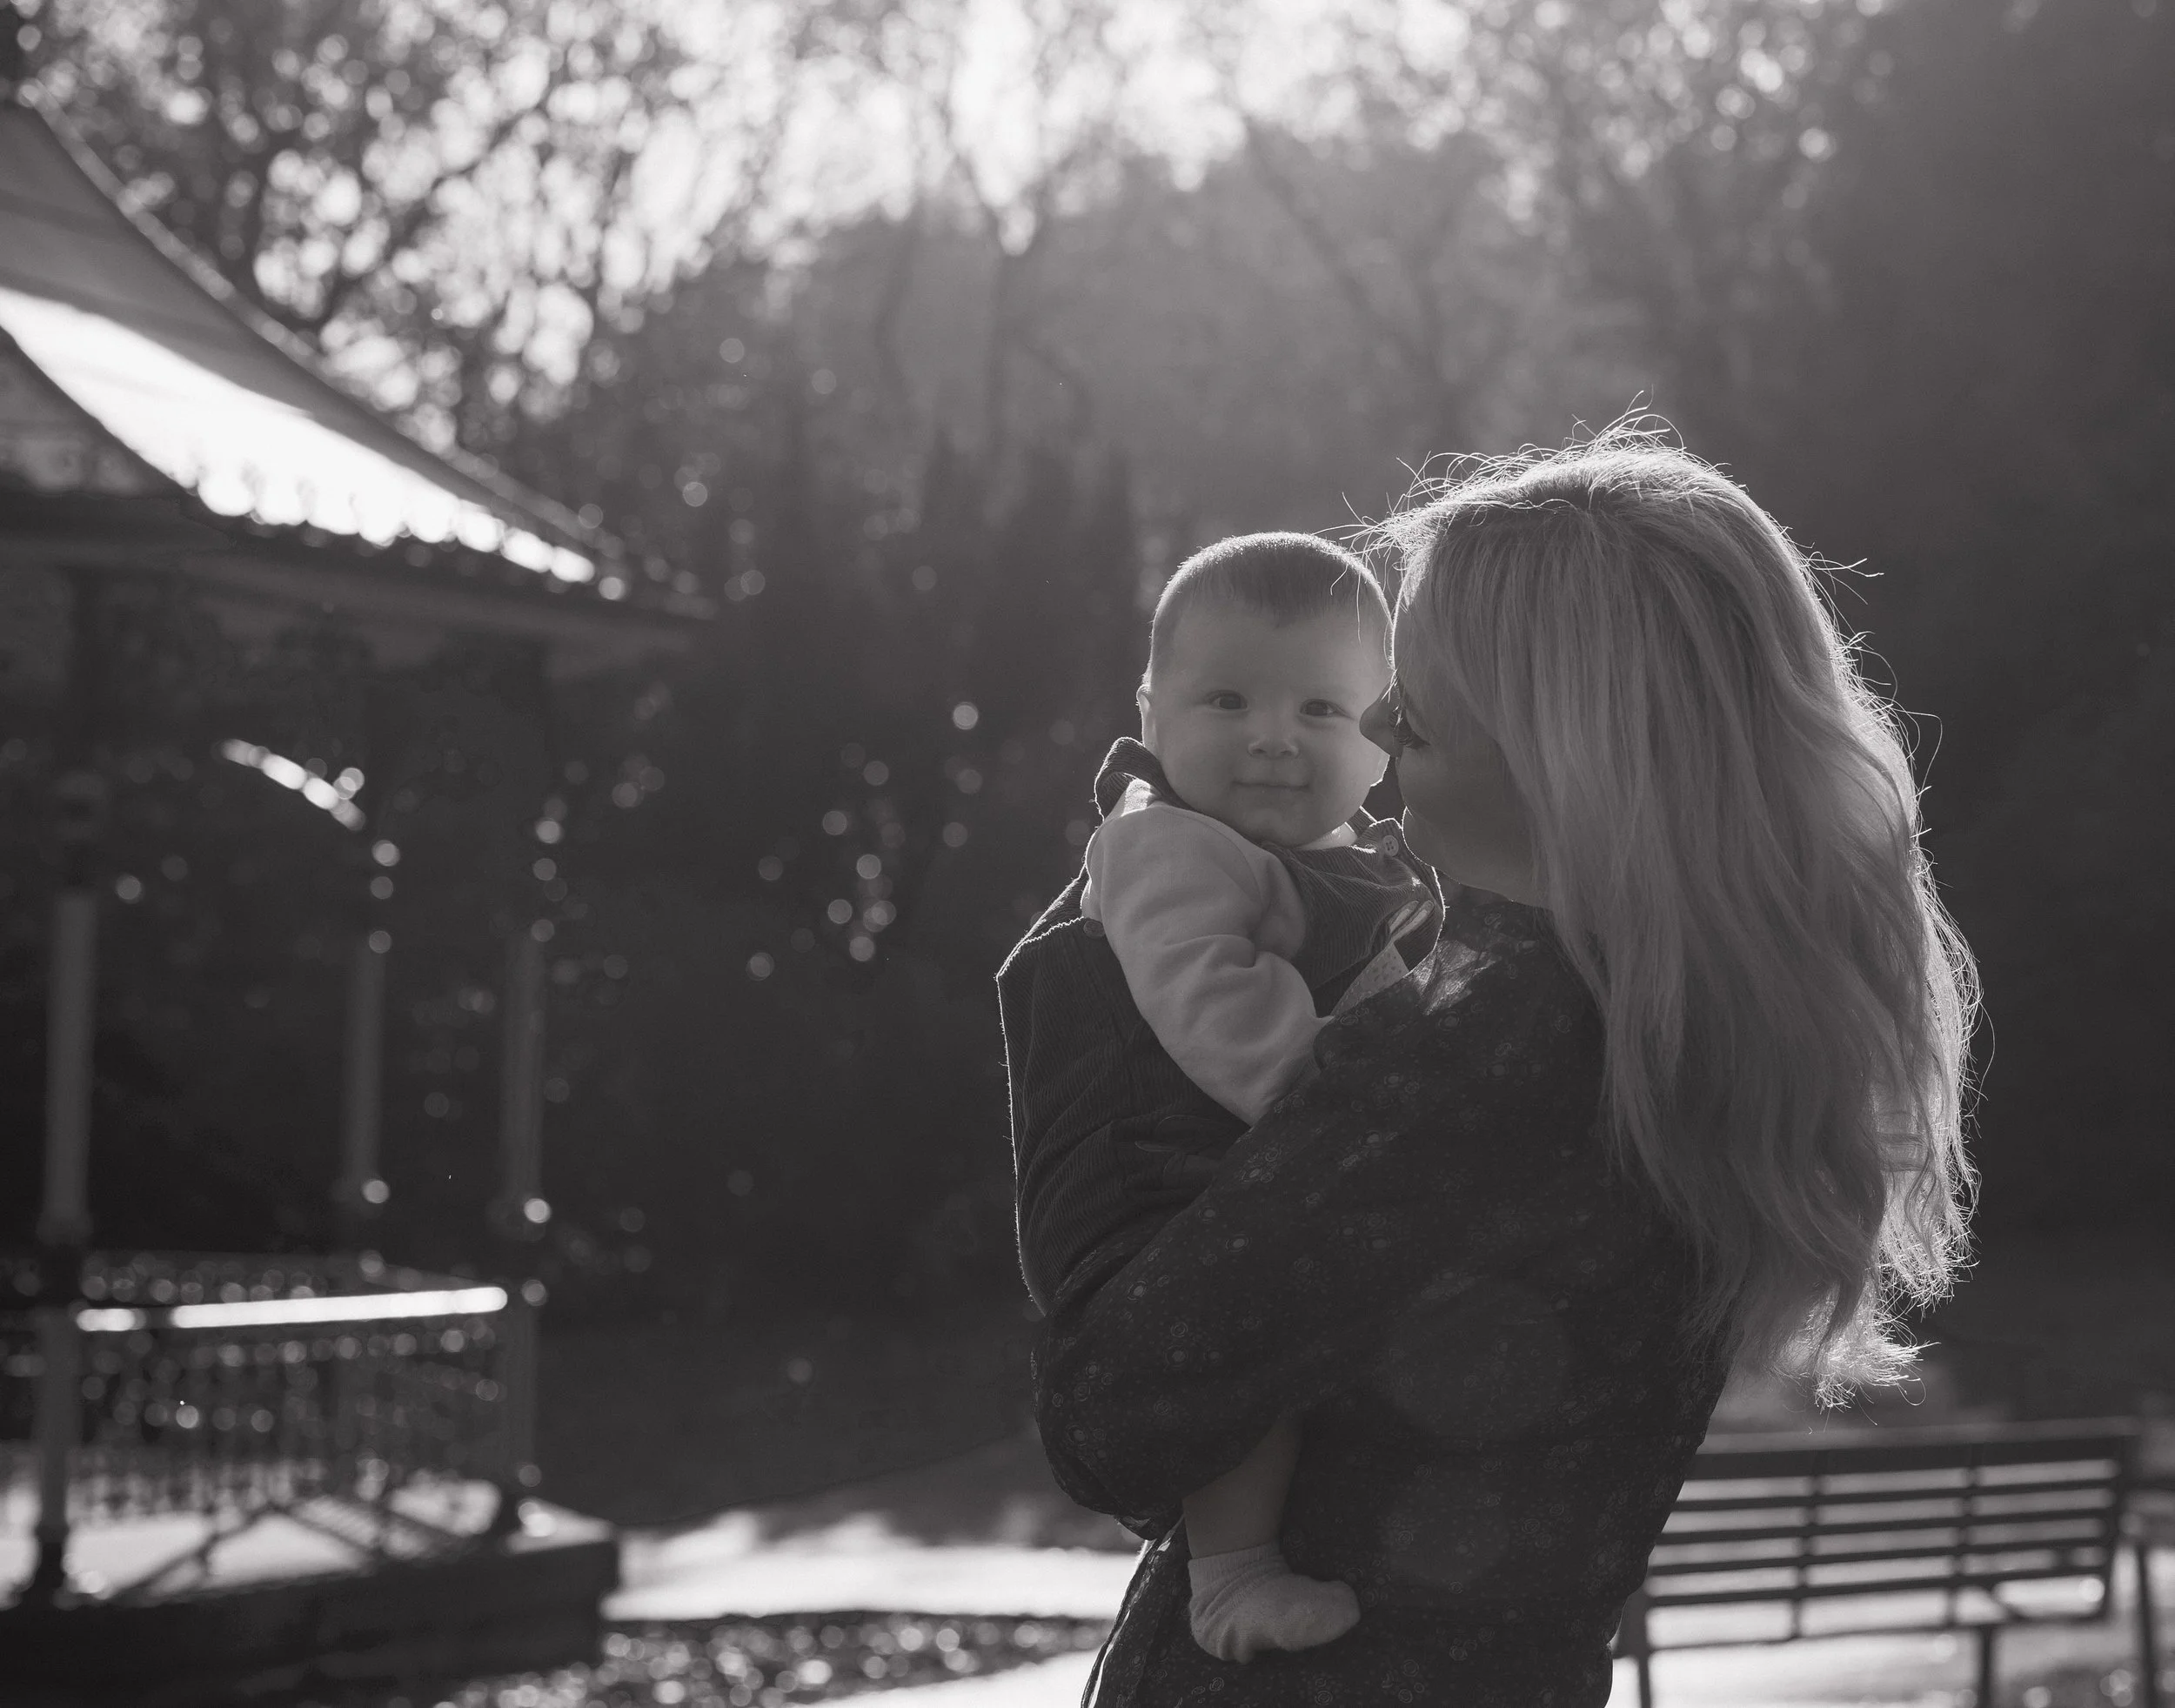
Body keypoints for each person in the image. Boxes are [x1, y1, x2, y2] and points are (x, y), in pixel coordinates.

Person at [1034, 432, 1978, 1707]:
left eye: (1413, 705)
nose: (1370, 723)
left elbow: (1116, 1413)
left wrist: (1083, 977)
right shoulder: (1681, 1038)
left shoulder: (1466, 1066)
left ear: (1558, 741)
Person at [997, 533, 1442, 1662]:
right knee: (1239, 1331)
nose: (1273, 737)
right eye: (1228, 698)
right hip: (1147, 1177)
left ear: (1382, 734)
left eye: (1322, 711)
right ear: (1151, 712)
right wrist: (1343, 1096)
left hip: (1222, 1154)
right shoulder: (1165, 845)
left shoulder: (1342, 859)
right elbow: (1213, 1005)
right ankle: (1232, 1574)